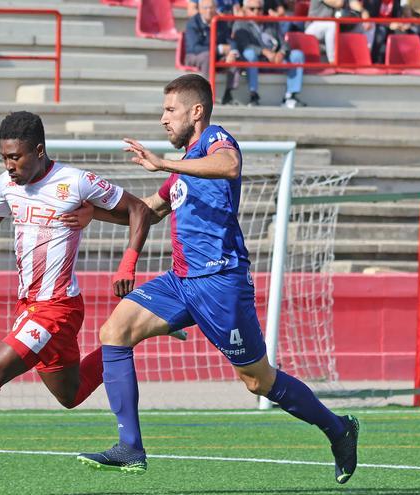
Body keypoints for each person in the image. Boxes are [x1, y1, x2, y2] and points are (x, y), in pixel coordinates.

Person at [73, 74, 360, 485]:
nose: (162, 119)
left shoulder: (215, 141)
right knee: (115, 331)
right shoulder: (183, 170)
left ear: (197, 112)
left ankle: (338, 428)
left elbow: (230, 165)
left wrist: (164, 162)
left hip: (221, 283)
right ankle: (130, 448)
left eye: (170, 110)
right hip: (181, 281)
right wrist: (93, 212)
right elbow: (148, 212)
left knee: (256, 380)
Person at [0, 111, 159, 495]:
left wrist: (127, 262)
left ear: (39, 151)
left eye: (15, 157)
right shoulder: (7, 185)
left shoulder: (75, 181)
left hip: (56, 308)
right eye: (4, 157)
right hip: (32, 308)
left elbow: (139, 210)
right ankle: (131, 336)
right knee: (70, 395)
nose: (9, 166)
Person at [234, 0, 307, 107]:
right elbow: (244, 45)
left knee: (297, 55)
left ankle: (290, 96)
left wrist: (281, 53)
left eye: (259, 9)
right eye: (252, 9)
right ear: (244, 10)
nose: (256, 12)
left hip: (276, 60)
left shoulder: (271, 22)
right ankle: (253, 95)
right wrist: (265, 52)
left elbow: (284, 43)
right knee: (249, 53)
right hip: (256, 61)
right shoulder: (239, 24)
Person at [184, 0, 241, 105]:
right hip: (194, 56)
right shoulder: (193, 23)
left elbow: (230, 40)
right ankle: (206, 96)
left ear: (216, 8)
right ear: (200, 9)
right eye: (205, 8)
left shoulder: (221, 22)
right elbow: (194, 47)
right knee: (208, 56)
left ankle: (229, 93)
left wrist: (232, 52)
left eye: (211, 8)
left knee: (234, 58)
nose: (209, 11)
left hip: (216, 57)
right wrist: (218, 49)